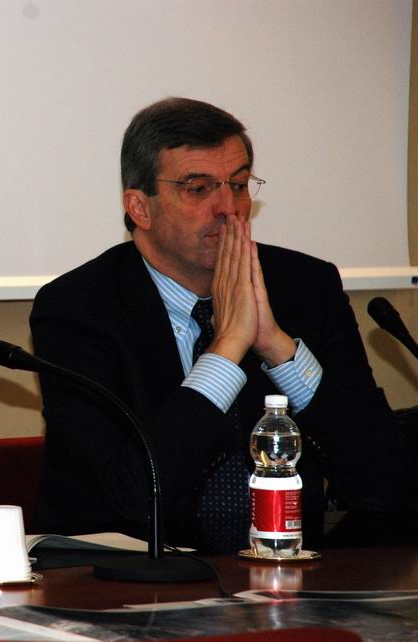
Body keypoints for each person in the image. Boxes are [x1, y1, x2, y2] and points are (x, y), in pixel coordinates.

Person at [30, 97, 409, 552]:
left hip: (290, 571)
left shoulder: (305, 288)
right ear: (140, 207)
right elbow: (129, 495)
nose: (229, 208)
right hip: (134, 577)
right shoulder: (77, 309)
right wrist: (226, 349)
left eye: (240, 185)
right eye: (198, 188)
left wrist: (278, 349)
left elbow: (390, 484)